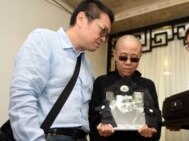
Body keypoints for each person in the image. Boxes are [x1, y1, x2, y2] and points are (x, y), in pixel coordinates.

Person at [8, 0, 114, 141]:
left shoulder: (87, 64)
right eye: (103, 30)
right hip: (50, 136)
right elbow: (22, 97)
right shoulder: (44, 40)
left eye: (107, 35)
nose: (104, 38)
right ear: (81, 19)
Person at [89, 35, 162, 141]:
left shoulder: (148, 85)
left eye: (134, 58)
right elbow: (92, 117)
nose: (128, 63)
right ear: (115, 54)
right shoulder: (102, 82)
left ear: (140, 57)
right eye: (123, 57)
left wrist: (151, 128)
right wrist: (100, 127)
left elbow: (157, 119)